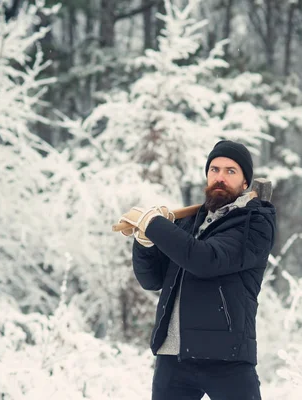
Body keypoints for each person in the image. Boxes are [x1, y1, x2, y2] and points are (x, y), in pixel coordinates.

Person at [118, 140, 276, 400]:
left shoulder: (254, 223)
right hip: (174, 356)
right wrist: (145, 243)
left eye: (230, 171)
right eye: (214, 170)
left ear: (245, 183)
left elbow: (205, 260)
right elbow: (152, 279)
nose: (220, 178)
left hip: (226, 356)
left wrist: (155, 225)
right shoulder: (190, 223)